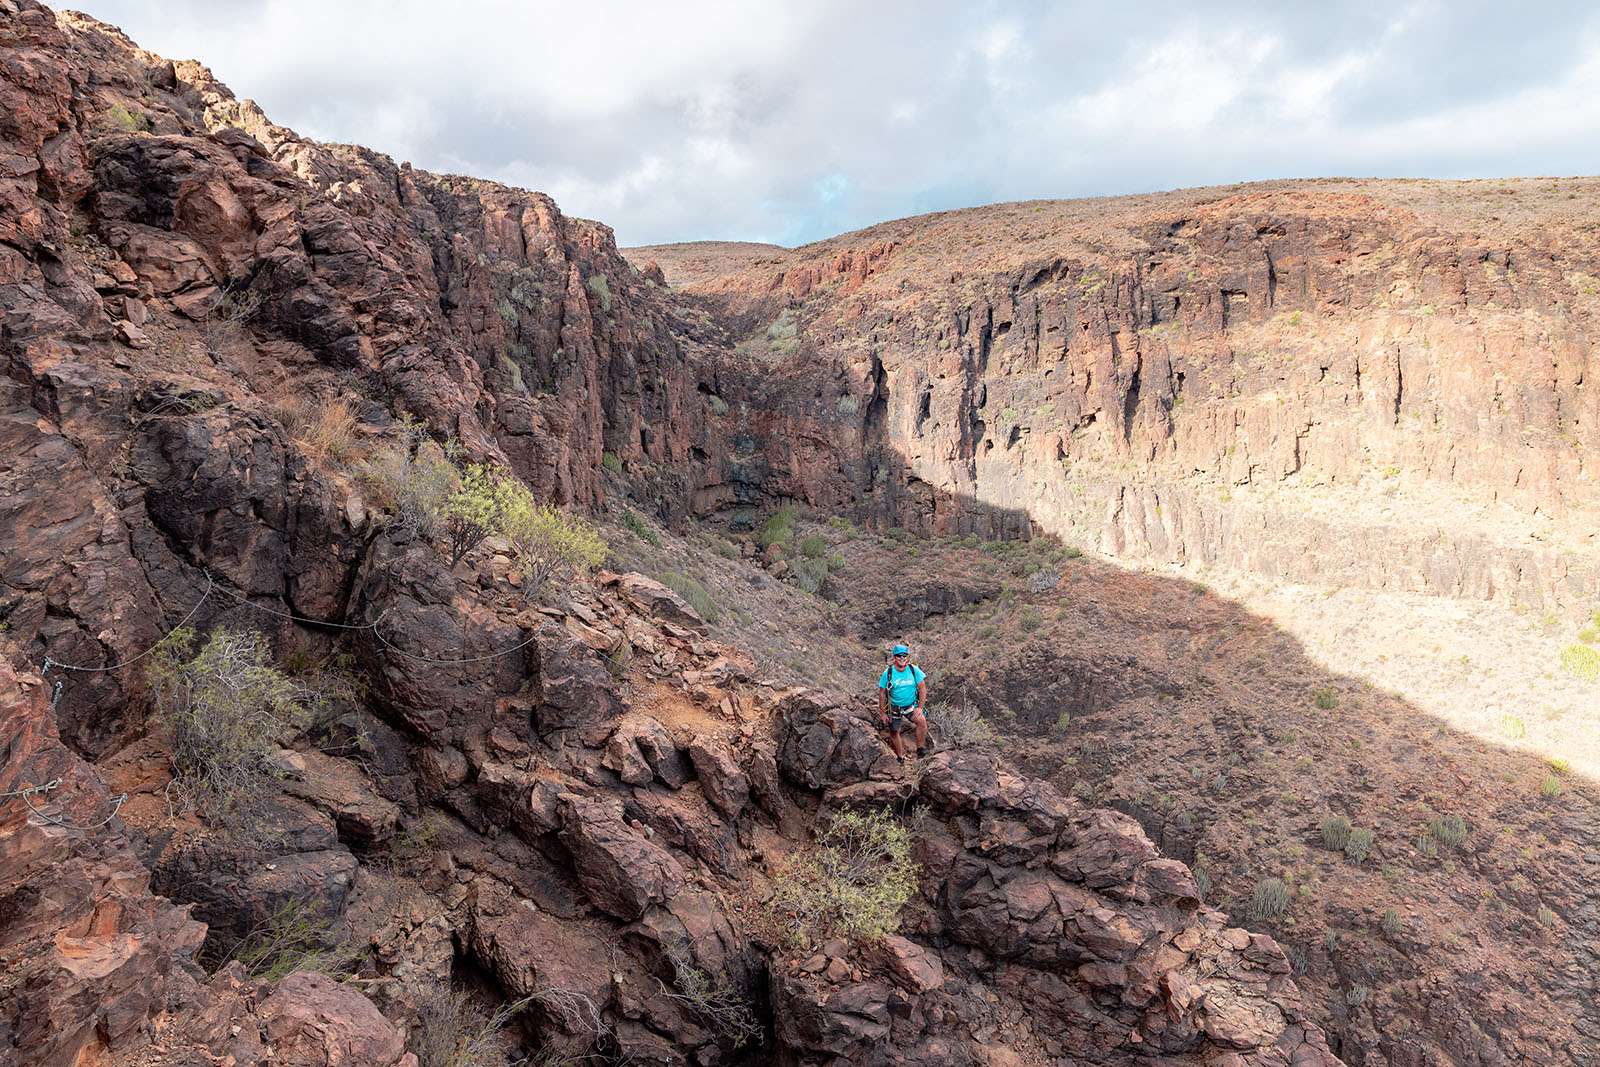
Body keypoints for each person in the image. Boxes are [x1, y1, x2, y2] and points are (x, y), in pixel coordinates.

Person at [878, 643, 929, 763]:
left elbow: (922, 688)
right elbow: (882, 693)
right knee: (895, 731)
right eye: (899, 656)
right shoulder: (888, 673)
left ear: (907, 657)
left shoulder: (913, 670)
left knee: (921, 721)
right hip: (894, 706)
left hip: (911, 705)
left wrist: (920, 708)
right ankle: (900, 757)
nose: (902, 658)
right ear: (895, 657)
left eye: (904, 656)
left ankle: (920, 749)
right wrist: (883, 713)